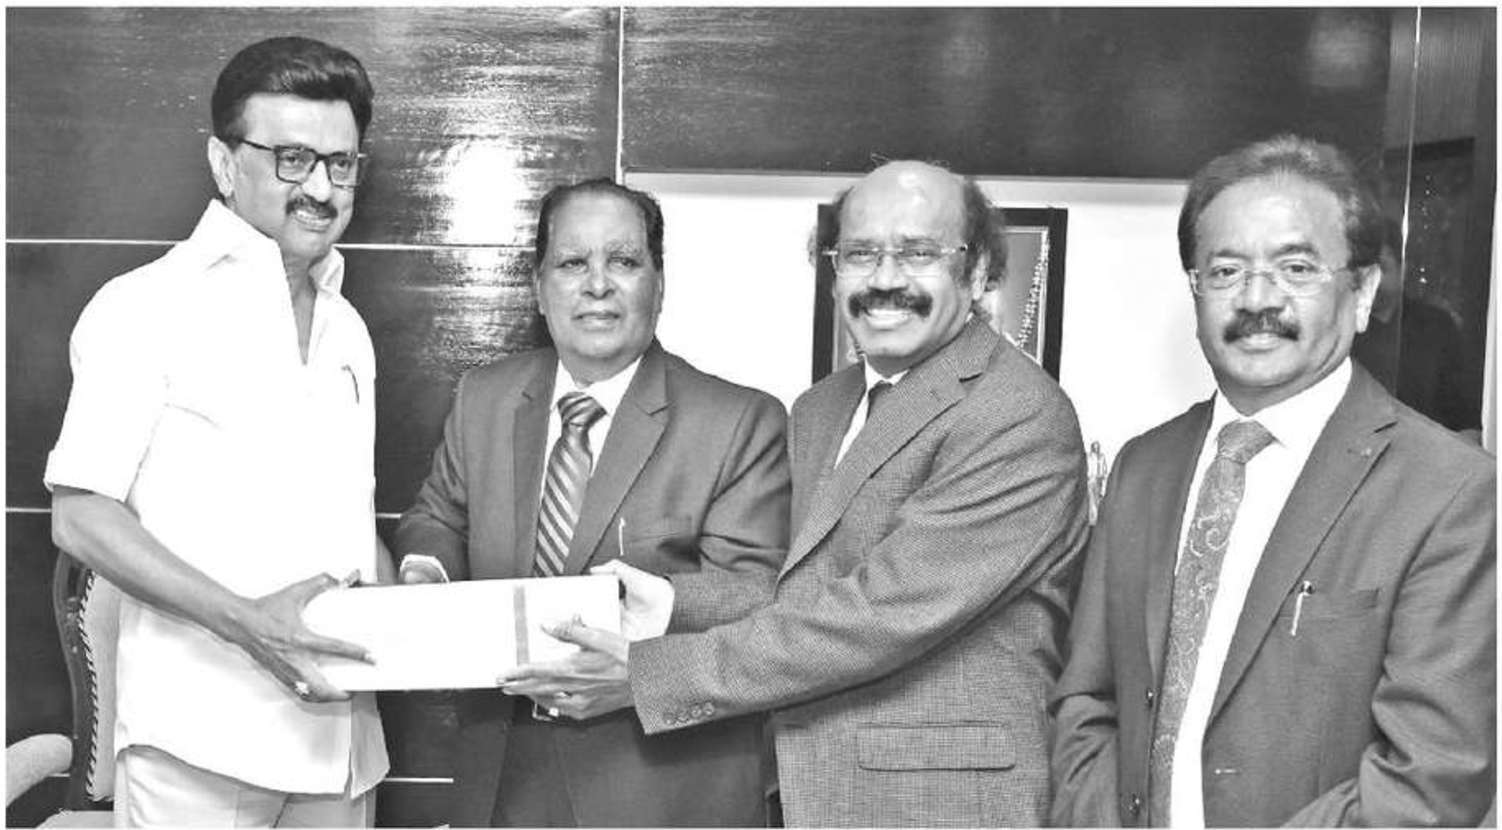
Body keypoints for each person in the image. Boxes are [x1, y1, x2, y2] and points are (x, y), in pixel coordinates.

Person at [500, 160, 1092, 827]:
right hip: (811, 794)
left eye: (918, 253)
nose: (886, 279)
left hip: (941, 806)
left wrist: (648, 675)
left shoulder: (1017, 413)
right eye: (861, 254)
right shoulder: (823, 407)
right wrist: (668, 601)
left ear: (978, 271)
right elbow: (808, 590)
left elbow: (876, 615)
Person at [1049, 135, 1496, 827]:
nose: (1258, 299)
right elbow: (1087, 701)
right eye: (1226, 270)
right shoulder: (1144, 468)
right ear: (1195, 290)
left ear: (1362, 291)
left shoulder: (1449, 491)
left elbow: (1434, 777)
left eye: (1296, 268)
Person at [46, 36, 390, 826]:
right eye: (293, 159)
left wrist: (417, 614)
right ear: (224, 163)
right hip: (199, 742)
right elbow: (80, 517)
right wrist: (250, 625)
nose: (321, 188)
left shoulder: (348, 328)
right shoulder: (143, 306)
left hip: (342, 741)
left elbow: (343, 520)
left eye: (341, 164)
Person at [394, 178, 791, 827]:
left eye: (624, 261)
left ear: (659, 284)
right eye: (573, 262)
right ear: (538, 288)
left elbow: (760, 597)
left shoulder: (739, 421)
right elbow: (438, 516)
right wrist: (425, 575)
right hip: (501, 778)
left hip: (657, 791)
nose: (598, 284)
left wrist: (652, 623)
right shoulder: (484, 397)